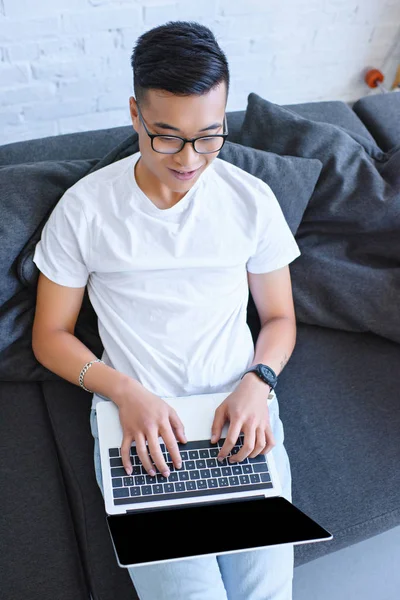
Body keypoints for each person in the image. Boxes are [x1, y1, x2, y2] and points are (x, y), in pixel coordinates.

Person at [32, 20, 301, 600]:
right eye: (168, 136)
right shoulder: (84, 210)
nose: (190, 158)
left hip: (239, 417)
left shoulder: (251, 200)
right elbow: (49, 335)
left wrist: (260, 382)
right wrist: (126, 394)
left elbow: (279, 318)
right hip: (141, 431)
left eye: (210, 135)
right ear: (135, 114)